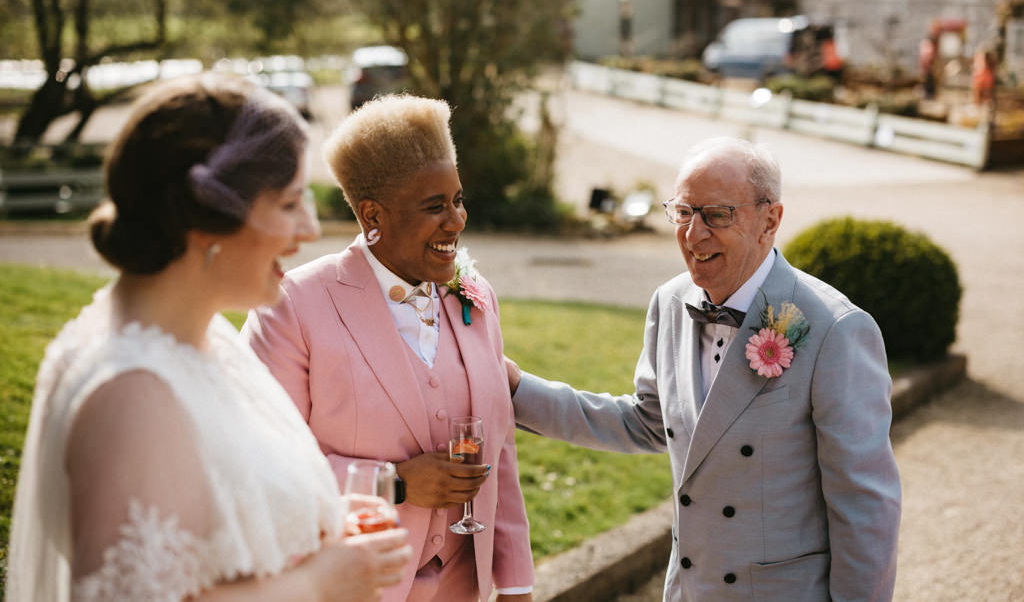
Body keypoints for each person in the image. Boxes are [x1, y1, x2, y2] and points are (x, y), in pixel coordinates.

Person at [5, 74, 412, 602]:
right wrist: (318, 582)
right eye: (289, 205)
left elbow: (206, 511)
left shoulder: (205, 340)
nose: (310, 231)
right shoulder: (130, 396)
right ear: (207, 222)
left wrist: (317, 520)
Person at [506, 137, 901, 600]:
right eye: (683, 212)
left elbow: (865, 507)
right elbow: (649, 423)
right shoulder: (670, 302)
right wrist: (518, 390)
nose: (694, 235)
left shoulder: (836, 330)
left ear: (769, 221)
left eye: (717, 215)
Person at [243, 94, 534, 602]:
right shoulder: (291, 307)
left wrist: (515, 585)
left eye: (458, 199)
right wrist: (392, 484)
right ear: (373, 214)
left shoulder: (475, 295)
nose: (456, 220)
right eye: (434, 206)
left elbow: (499, 455)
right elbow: (261, 467)